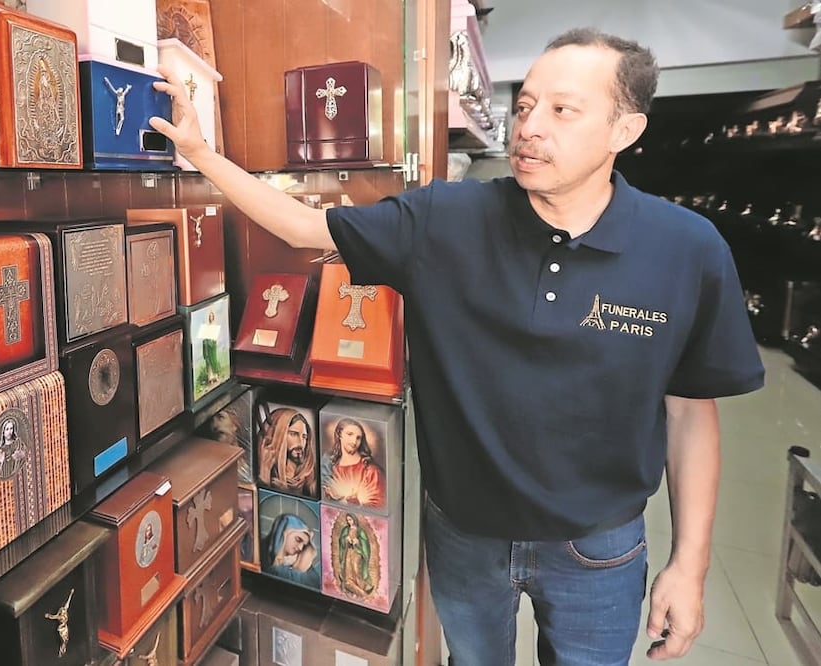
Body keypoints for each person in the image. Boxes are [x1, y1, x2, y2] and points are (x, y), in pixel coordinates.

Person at [152, 26, 766, 664]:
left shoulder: (687, 250)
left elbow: (692, 413)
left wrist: (689, 567)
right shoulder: (445, 219)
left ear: (624, 131)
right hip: (465, 535)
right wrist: (199, 150)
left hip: (599, 548)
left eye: (562, 110)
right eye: (524, 105)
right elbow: (305, 227)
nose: (528, 127)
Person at [323, 417, 386, 508]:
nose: (354, 442)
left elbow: (379, 505)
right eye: (350, 434)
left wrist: (357, 504)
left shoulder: (370, 470)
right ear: (339, 434)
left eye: (358, 438)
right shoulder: (329, 465)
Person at [256, 407, 318, 497]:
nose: (301, 443)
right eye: (293, 434)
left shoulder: (311, 474)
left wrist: (285, 491)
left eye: (304, 437)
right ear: (277, 435)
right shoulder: (261, 466)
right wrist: (264, 475)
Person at [261, 512, 321, 589]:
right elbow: (272, 571)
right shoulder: (262, 551)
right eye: (298, 539)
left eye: (304, 545)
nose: (300, 548)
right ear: (284, 533)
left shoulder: (294, 561)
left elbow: (315, 582)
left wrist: (302, 562)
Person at [336, 512, 376, 597]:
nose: (349, 522)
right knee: (348, 569)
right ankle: (353, 588)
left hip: (357, 552)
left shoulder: (360, 531)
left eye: (350, 519)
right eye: (347, 520)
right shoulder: (346, 530)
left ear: (354, 519)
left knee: (356, 569)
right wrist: (345, 539)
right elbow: (341, 540)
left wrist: (358, 542)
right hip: (348, 551)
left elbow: (365, 543)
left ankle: (360, 588)